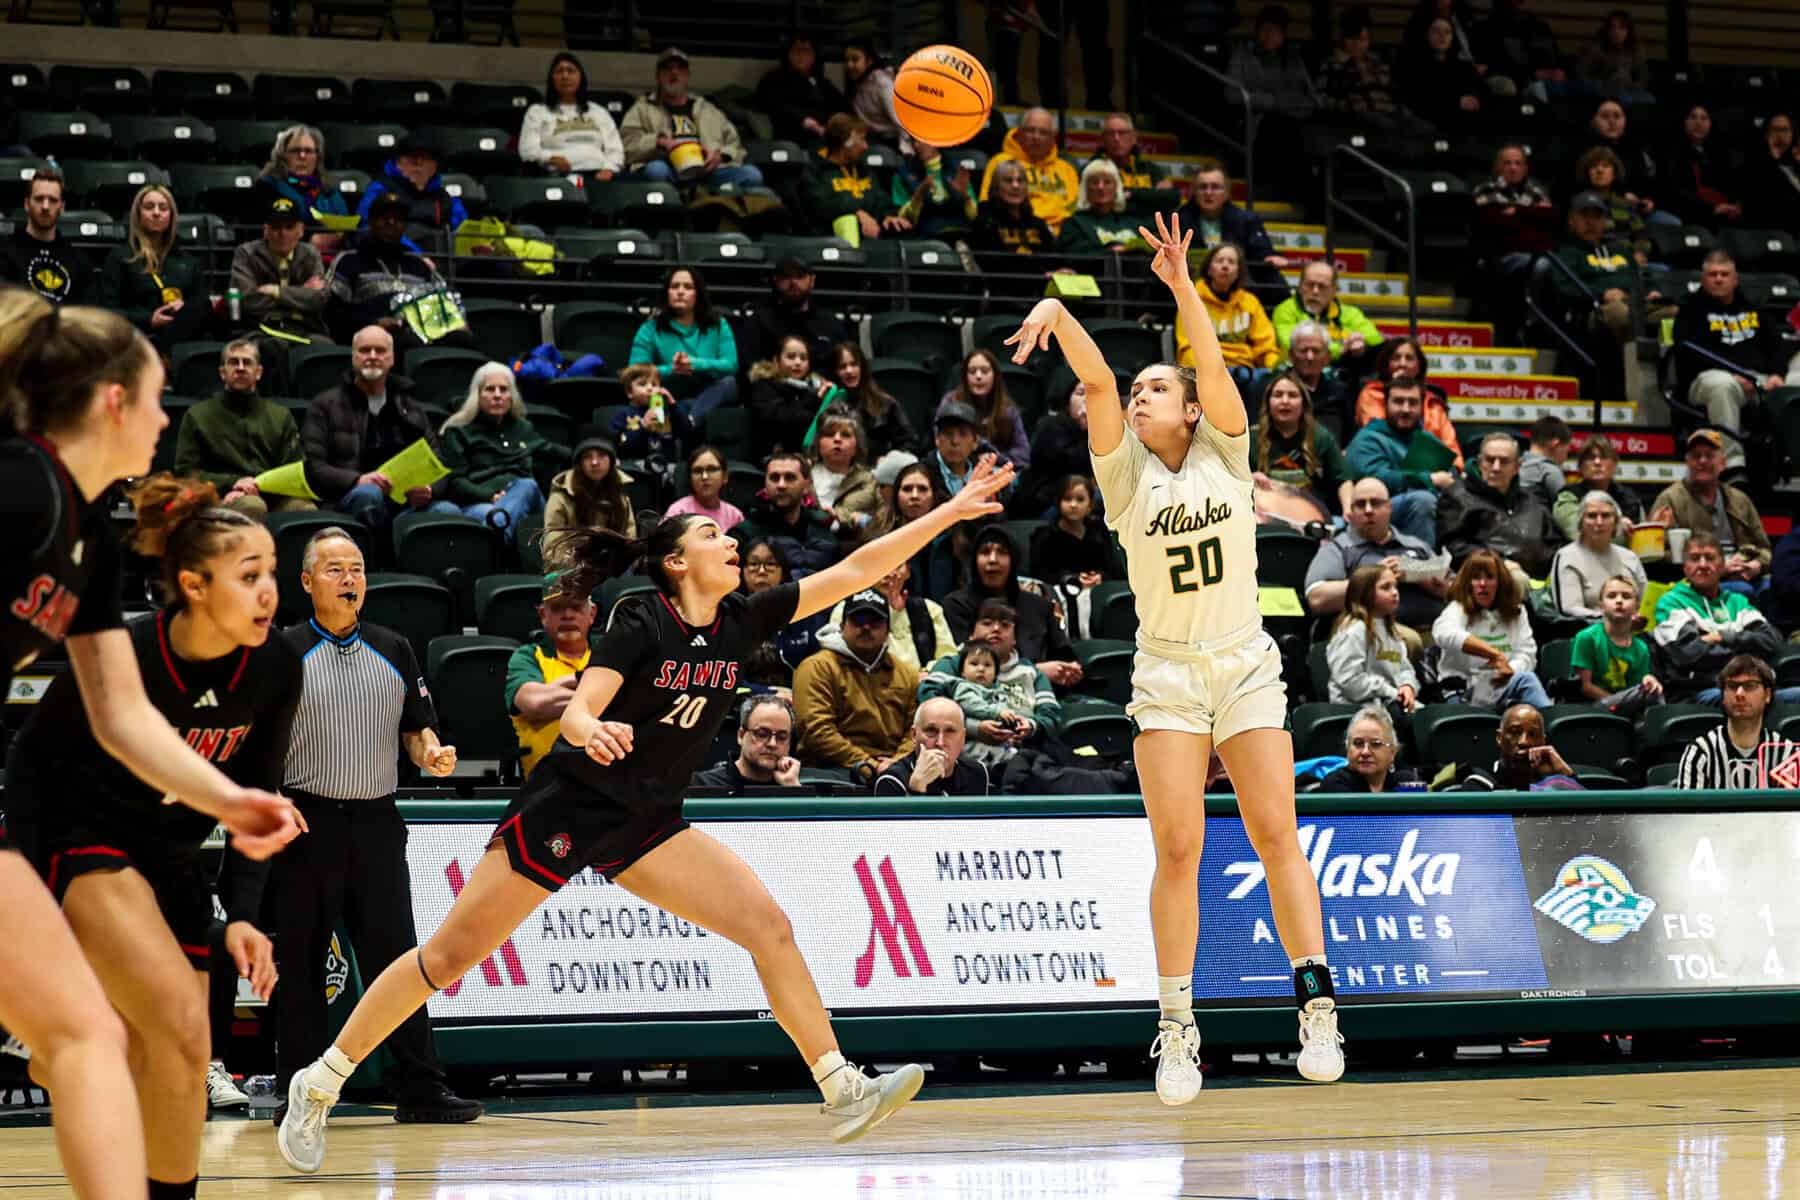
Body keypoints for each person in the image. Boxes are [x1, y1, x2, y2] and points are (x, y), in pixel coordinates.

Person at [276, 461, 1015, 1173]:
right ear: (676, 563)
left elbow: (853, 571)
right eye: (711, 538)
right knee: (445, 960)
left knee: (768, 926)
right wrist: (591, 727)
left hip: (649, 819)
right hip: (568, 806)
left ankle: (840, 1086)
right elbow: (581, 710)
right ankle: (318, 1084)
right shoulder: (641, 621)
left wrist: (947, 512)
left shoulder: (741, 619)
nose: (732, 542)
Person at [1004, 213, 1345, 1104]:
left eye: (1162, 386)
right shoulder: (1122, 475)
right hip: (1166, 672)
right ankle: (1177, 1026)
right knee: (1180, 848)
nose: (1144, 393)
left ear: (1191, 409)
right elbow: (1093, 377)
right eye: (1143, 386)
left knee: (1277, 833)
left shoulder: (1227, 453)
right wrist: (1056, 305)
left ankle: (1315, 1002)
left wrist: (1183, 285)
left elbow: (1213, 364)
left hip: (1243, 664)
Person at [0, 295, 299, 1200]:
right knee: (93, 1037)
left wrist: (230, 804)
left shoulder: (85, 528)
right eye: (162, 397)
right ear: (114, 402)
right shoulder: (19, 484)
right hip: (72, 830)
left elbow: (122, 717)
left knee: (103, 1037)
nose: (170, 420)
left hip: (145, 855)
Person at [272, 527, 479, 1133]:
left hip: (376, 823)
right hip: (305, 819)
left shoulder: (394, 647)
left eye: (356, 569)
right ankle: (300, 1093)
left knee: (400, 960)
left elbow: (418, 729)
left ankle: (420, 1087)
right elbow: (258, 744)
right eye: (334, 569)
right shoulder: (282, 652)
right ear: (307, 582)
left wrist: (432, 752)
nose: (349, 579)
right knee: (301, 966)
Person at [301, 324, 452, 531]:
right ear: (353, 357)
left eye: (380, 351)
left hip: (405, 501)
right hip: (349, 498)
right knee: (369, 494)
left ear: (392, 358)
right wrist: (358, 480)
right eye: (364, 350)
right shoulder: (325, 405)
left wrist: (429, 490)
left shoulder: (411, 408)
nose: (372, 356)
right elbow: (314, 467)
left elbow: (439, 463)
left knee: (448, 511)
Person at [1672, 251, 1795, 474]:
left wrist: (1778, 375)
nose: (1719, 279)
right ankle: (1732, 464)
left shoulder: (1752, 309)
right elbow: (1688, 353)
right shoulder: (1690, 310)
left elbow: (1778, 347)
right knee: (1723, 385)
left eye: (1724, 274)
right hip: (1708, 380)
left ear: (1735, 279)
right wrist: (1734, 373)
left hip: (1757, 379)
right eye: (1712, 274)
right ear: (1703, 279)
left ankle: (1792, 455)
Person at [173, 339, 313, 519]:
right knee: (252, 505)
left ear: (259, 372)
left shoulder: (280, 416)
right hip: (221, 495)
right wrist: (233, 484)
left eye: (247, 362)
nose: (240, 368)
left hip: (272, 494)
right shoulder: (197, 415)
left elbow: (293, 467)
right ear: (222, 373)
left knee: (304, 509)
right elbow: (186, 472)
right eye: (233, 362)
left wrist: (260, 487)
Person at [1650, 533, 1789, 704]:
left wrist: (1722, 637)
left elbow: (1772, 640)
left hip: (1750, 686)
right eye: (1694, 558)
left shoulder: (1737, 601)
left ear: (1723, 565)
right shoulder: (1671, 602)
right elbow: (1690, 654)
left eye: (1709, 558)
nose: (1702, 565)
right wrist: (1748, 653)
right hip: (1699, 692)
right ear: (1685, 567)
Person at [792, 588, 919, 773]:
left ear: (888, 631)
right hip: (831, 770)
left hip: (894, 768)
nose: (866, 627)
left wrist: (898, 764)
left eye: (875, 621)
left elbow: (916, 730)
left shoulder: (907, 674)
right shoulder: (816, 667)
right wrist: (870, 767)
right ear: (842, 626)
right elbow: (816, 731)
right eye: (858, 620)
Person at [324, 192, 469, 354]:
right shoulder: (349, 260)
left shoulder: (419, 264)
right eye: (384, 218)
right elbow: (333, 315)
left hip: (425, 335)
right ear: (371, 221)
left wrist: (457, 322)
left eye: (398, 219)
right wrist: (374, 323)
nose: (391, 223)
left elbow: (443, 303)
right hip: (373, 338)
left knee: (463, 339)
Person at [917, 599, 1062, 759]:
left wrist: (1031, 727)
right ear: (971, 634)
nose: (996, 629)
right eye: (987, 623)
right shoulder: (951, 664)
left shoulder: (1031, 672)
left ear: (1015, 639)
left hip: (1027, 754)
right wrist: (974, 728)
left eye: (1005, 625)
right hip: (964, 758)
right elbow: (927, 702)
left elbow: (1052, 717)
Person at [1303, 477, 1451, 628]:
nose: (1368, 510)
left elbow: (1458, 589)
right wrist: (1371, 580)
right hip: (1373, 634)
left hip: (1436, 631)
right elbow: (1317, 598)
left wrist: (1416, 572)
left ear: (1389, 507)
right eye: (1361, 505)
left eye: (1375, 503)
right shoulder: (1339, 548)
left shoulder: (1416, 545)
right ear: (1352, 512)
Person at [942, 523, 1080, 680]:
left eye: (1002, 552)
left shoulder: (1039, 605)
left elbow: (1064, 655)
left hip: (1047, 692)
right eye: (985, 552)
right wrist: (1035, 672)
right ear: (974, 561)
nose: (993, 559)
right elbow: (965, 666)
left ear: (1013, 561)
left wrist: (1070, 670)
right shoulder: (957, 605)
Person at [437, 362, 553, 543]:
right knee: (490, 513)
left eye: (504, 389)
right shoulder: (458, 431)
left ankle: (495, 539)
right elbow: (455, 481)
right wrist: (488, 496)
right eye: (490, 389)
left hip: (526, 499)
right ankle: (497, 536)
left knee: (527, 486)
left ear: (512, 396)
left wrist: (599, 452)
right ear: (477, 395)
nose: (497, 395)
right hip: (478, 503)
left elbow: (553, 451)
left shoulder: (523, 428)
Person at [620, 47, 763, 189]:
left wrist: (720, 156)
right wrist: (658, 142)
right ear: (658, 76)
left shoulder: (707, 109)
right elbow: (627, 147)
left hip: (708, 171)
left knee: (752, 174)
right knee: (656, 171)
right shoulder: (642, 108)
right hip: (669, 169)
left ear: (687, 75)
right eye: (668, 69)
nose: (674, 73)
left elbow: (735, 145)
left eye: (680, 68)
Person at [1649, 430, 1773, 588]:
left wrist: (1758, 565)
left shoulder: (1739, 499)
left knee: (1771, 587)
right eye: (1696, 456)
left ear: (1723, 463)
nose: (1702, 461)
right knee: (1742, 590)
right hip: (1695, 579)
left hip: (1742, 571)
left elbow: (1764, 548)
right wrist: (1717, 566)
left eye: (1709, 455)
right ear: (1687, 462)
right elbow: (1657, 555)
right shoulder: (1670, 499)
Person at [1344, 375, 1458, 545]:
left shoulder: (1426, 439)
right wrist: (1429, 479)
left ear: (1421, 407)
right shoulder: (1368, 438)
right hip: (1376, 510)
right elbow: (1375, 478)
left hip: (1428, 510)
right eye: (1398, 401)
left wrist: (1450, 480)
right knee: (1423, 500)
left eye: (1413, 403)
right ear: (1385, 405)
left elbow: (1450, 472)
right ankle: (1421, 565)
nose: (1406, 409)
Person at [1431, 549, 1551, 710]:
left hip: (1503, 686)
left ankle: (1554, 728)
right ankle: (1555, 726)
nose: (1482, 584)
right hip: (1463, 691)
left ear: (1500, 582)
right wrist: (1493, 654)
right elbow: (1443, 633)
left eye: (1489, 577)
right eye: (1476, 578)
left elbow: (1527, 653)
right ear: (1468, 583)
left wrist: (1509, 670)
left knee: (1526, 683)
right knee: (1527, 681)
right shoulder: (1457, 609)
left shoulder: (1517, 612)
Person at [506, 574, 599, 778]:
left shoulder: (610, 652)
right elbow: (535, 703)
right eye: (557, 608)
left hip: (609, 784)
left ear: (592, 613)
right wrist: (597, 687)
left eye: (576, 607)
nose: (567, 615)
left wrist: (560, 689)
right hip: (543, 786)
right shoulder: (527, 657)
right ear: (542, 615)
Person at [100, 184, 209, 351]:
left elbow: (203, 305)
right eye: (149, 207)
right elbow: (107, 311)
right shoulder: (121, 257)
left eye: (163, 208)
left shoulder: (189, 262)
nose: (156, 213)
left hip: (181, 339)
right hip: (137, 338)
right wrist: (149, 319)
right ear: (138, 214)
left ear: (171, 216)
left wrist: (183, 308)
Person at [1436, 431, 1560, 577]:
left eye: (1504, 461)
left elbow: (1555, 545)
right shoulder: (1458, 496)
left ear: (1517, 467)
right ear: (1480, 462)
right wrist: (1498, 563)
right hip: (1485, 581)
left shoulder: (1533, 501)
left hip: (1540, 583)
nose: (1496, 467)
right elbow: (1453, 547)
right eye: (1490, 460)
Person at [628, 266, 739, 421]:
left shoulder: (718, 324)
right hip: (668, 393)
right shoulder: (650, 328)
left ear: (697, 294)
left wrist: (695, 364)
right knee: (658, 395)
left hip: (709, 392)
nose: (680, 291)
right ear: (667, 293)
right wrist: (672, 369)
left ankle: (690, 419)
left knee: (729, 383)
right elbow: (634, 372)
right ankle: (688, 417)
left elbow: (731, 365)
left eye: (688, 287)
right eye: (674, 286)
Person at [1676, 655, 1797, 788]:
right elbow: (1690, 808)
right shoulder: (1700, 752)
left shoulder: (1787, 753)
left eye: (1750, 686)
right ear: (1722, 695)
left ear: (1767, 695)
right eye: (1732, 686)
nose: (1739, 693)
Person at [230, 193, 331, 350]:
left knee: (325, 348)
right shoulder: (246, 253)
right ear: (265, 230)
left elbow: (318, 299)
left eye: (289, 227)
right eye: (276, 227)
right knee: (274, 347)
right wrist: (301, 293)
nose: (282, 234)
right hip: (258, 329)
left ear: (301, 230)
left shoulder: (310, 254)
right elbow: (247, 301)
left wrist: (275, 291)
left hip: (305, 329)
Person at [1179, 242, 1278, 396]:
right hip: (1207, 371)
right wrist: (1204, 372)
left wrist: (1276, 370)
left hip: (1245, 373)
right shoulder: (1192, 299)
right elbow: (1187, 345)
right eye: (1219, 261)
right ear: (1209, 268)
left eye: (1231, 262)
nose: (1225, 266)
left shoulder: (1250, 302)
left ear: (1238, 271)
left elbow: (1265, 345)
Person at [1249, 370, 1353, 517]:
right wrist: (1250, 479)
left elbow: (1343, 479)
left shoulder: (1320, 436)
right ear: (1268, 402)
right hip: (1266, 515)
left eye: (1292, 395)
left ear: (1304, 403)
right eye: (1278, 395)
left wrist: (1348, 509)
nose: (1285, 401)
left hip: (1311, 516)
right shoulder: (1251, 438)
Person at [822, 561, 954, 674]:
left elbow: (949, 658)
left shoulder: (929, 609)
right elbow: (835, 660)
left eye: (897, 566)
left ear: (908, 571)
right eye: (881, 565)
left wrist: (928, 674)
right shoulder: (844, 610)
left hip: (924, 688)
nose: (889, 574)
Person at [1353, 339, 1464, 472]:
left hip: (1436, 471)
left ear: (1418, 366)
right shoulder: (1372, 394)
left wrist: (1455, 471)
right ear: (1387, 364)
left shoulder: (1433, 403)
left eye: (1409, 358)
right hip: (1390, 468)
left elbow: (1452, 451)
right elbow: (1381, 437)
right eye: (1396, 358)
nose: (1402, 364)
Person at [732, 450, 841, 575]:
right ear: (765, 485)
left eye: (790, 477)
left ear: (807, 485)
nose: (781, 485)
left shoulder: (824, 534)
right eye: (774, 478)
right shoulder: (744, 534)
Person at [519, 52, 624, 181]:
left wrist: (609, 169)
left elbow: (615, 149)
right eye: (559, 71)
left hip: (599, 176)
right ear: (552, 79)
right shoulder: (537, 112)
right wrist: (550, 158)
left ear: (581, 78)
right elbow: (527, 150)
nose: (565, 76)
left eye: (571, 71)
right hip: (558, 176)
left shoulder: (598, 111)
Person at [1326, 564, 1418, 709]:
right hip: (1356, 710)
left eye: (1395, 586)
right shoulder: (1354, 631)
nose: (1395, 592)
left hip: (1390, 703)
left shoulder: (1391, 631)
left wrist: (1407, 686)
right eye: (1386, 587)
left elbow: (1405, 669)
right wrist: (1391, 692)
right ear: (1365, 593)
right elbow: (1350, 681)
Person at [1571, 574, 1663, 717]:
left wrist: (1648, 682)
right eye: (1612, 596)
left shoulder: (1641, 648)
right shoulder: (1587, 638)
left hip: (1627, 705)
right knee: (1645, 693)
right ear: (1601, 606)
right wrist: (1618, 703)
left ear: (1637, 607)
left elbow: (1635, 688)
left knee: (1653, 689)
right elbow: (1585, 686)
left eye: (1626, 596)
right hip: (1593, 707)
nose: (1619, 601)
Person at [803, 114, 908, 240]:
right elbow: (820, 205)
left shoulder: (863, 169)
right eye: (861, 140)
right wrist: (856, 213)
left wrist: (888, 216)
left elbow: (879, 199)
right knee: (848, 222)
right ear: (846, 143)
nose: (866, 147)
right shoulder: (816, 170)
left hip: (871, 237)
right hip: (831, 241)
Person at [977, 107, 1079, 233]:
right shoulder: (1001, 162)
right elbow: (987, 205)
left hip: (1063, 237)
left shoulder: (1067, 169)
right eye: (1030, 130)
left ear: (1053, 138)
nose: (1036, 137)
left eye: (1043, 132)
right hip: (1017, 232)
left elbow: (1074, 211)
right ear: (1019, 133)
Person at [543, 432, 637, 567]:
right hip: (571, 571)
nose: (594, 462)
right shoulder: (560, 498)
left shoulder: (620, 497)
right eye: (587, 457)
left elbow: (630, 541)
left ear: (612, 461)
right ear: (579, 463)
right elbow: (553, 548)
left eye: (601, 456)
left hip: (614, 569)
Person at [1550, 491, 1646, 619]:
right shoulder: (1567, 556)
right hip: (1586, 632)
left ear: (1616, 522)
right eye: (1592, 516)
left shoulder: (1630, 557)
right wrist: (1611, 618)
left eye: (1606, 516)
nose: (1599, 522)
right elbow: (1569, 608)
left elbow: (1644, 603)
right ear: (1580, 522)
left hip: (1631, 631)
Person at [0, 168, 90, 305]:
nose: (45, 206)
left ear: (62, 207)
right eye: (39, 199)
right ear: (26, 204)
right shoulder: (5, 253)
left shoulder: (78, 260)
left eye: (53, 200)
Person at [1270, 261, 1380, 371]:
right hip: (1294, 372)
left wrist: (1362, 341)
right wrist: (1342, 349)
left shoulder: (1350, 313)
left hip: (1341, 372)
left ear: (1333, 290)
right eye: (1310, 284)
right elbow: (1292, 344)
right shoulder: (1285, 310)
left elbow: (1376, 339)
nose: (1315, 291)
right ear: (1300, 286)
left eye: (1322, 286)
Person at [1472, 143, 1560, 281]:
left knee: (1562, 264)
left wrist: (1518, 211)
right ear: (1498, 167)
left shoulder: (1535, 191)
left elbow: (1553, 220)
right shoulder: (1486, 190)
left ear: (1525, 168)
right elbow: (1499, 229)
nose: (1513, 168)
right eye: (1507, 163)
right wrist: (1534, 215)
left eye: (1518, 163)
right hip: (1500, 257)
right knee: (1544, 266)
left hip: (1537, 253)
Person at [750, 334, 843, 462]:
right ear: (777, 361)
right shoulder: (764, 386)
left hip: (813, 455)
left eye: (803, 358)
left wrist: (826, 399)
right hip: (775, 455)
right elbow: (782, 419)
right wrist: (814, 400)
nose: (798, 362)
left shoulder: (816, 387)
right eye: (791, 357)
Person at [874, 696, 994, 795]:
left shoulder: (977, 773)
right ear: (914, 735)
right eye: (931, 731)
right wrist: (916, 789)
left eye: (950, 731)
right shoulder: (891, 781)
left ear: (963, 737)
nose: (940, 743)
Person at [1176, 158, 1284, 268]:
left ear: (1227, 191)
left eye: (1215, 187)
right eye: (1203, 187)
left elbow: (1262, 250)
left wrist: (1269, 256)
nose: (1208, 193)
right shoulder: (1178, 219)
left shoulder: (1246, 220)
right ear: (1194, 191)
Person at [355, 131, 467, 236]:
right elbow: (366, 232)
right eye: (412, 157)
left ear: (435, 166)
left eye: (425, 158)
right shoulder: (379, 190)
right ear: (398, 161)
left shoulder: (446, 201)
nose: (418, 163)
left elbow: (461, 236)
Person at [752, 257, 851, 368]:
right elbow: (752, 368)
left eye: (800, 276)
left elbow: (844, 365)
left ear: (812, 280)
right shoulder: (760, 321)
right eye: (786, 277)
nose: (793, 282)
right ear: (776, 281)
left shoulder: (829, 323)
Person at [939, 349, 1030, 469]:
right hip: (959, 468)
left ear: (995, 376)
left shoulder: (1008, 409)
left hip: (999, 469)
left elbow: (1023, 456)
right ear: (965, 377)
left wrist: (994, 458)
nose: (978, 376)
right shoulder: (951, 402)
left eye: (985, 371)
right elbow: (942, 445)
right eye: (972, 372)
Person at [1454, 703, 1579, 790]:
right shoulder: (1479, 784)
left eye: (1533, 734)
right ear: (1499, 738)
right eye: (1514, 732)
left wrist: (1566, 776)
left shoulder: (1553, 786)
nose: (1524, 742)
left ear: (1543, 741)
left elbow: (1586, 822)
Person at [690, 695, 802, 792]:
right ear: (741, 735)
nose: (772, 744)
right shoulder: (703, 785)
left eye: (782, 737)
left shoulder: (795, 782)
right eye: (762, 734)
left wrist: (793, 789)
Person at [258, 125, 355, 235]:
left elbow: (347, 229)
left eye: (308, 151)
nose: (302, 156)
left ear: (317, 157)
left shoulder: (329, 191)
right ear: (282, 156)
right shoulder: (268, 187)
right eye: (295, 150)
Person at [1227, 6, 1320, 119]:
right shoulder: (1242, 56)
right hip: (1252, 123)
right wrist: (1273, 101)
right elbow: (1232, 95)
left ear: (1283, 35)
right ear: (1257, 31)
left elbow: (1310, 100)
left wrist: (1287, 104)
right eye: (1265, 29)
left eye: (1275, 30)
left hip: (1289, 122)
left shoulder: (1293, 59)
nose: (1269, 35)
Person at [1030, 474, 1122, 588]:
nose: (1073, 505)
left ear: (1090, 505)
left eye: (1080, 499)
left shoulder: (1099, 530)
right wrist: (1073, 580)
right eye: (1067, 499)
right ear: (1058, 503)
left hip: (1099, 590)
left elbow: (1113, 568)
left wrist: (1100, 577)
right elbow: (1040, 575)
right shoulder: (1045, 536)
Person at [755, 32, 845, 145]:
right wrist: (804, 120)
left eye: (806, 51)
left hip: (825, 136)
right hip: (792, 136)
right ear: (789, 53)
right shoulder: (774, 78)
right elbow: (772, 104)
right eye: (796, 50)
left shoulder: (823, 83)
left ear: (814, 56)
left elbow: (840, 106)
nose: (801, 56)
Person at [808, 404, 880, 544]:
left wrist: (839, 518)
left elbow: (880, 523)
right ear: (818, 443)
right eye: (829, 434)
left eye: (845, 435)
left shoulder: (869, 481)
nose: (837, 439)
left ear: (857, 446)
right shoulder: (803, 474)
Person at [830, 341, 914, 460]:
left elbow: (909, 442)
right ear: (836, 372)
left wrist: (889, 459)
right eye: (842, 367)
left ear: (862, 367)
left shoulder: (885, 403)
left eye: (854, 364)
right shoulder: (831, 403)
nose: (849, 371)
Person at [1399, 16, 1486, 129]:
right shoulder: (1415, 66)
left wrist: (1475, 100)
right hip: (1435, 119)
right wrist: (1457, 102)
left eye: (1447, 32)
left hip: (1470, 118)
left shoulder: (1463, 67)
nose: (1442, 36)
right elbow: (1420, 99)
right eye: (1436, 31)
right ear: (1426, 34)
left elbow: (1483, 90)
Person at [1663, 104, 1743, 226]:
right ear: (1684, 122)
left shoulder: (1720, 153)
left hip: (1724, 209)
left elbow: (1731, 183)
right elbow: (1675, 190)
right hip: (1691, 210)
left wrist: (1737, 204)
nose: (1698, 123)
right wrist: (1712, 208)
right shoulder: (1673, 152)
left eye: (1704, 118)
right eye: (1693, 117)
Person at [1321, 6, 1406, 119]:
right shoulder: (1333, 64)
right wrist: (1345, 107)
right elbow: (1321, 97)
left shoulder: (1378, 62)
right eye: (1352, 39)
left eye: (1362, 39)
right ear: (1343, 38)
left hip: (1391, 113)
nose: (1357, 45)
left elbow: (1394, 91)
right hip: (1361, 117)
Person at [1311, 706, 1422, 793]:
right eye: (1358, 743)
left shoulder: (1407, 783)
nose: (1365, 752)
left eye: (1375, 744)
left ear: (1393, 752)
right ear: (1347, 748)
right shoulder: (1335, 784)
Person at [1553, 435, 1642, 542]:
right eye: (1590, 458)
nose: (1597, 462)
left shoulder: (1629, 497)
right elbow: (1578, 534)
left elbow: (1642, 540)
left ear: (1614, 464)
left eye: (1604, 457)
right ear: (1580, 466)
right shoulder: (1568, 496)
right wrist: (1618, 527)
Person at [1476, 0, 1566, 100]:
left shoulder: (1539, 26)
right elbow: (1496, 66)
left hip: (1552, 80)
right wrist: (1533, 74)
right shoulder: (1487, 28)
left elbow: (1558, 57)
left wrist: (1560, 70)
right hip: (1523, 82)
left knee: (1582, 86)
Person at [611, 362, 693, 470]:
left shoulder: (667, 412)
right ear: (629, 392)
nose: (650, 388)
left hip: (667, 465)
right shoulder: (623, 414)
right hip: (636, 464)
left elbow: (686, 431)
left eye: (654, 385)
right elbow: (620, 444)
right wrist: (643, 427)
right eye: (643, 384)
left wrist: (673, 404)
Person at [1058, 159, 1145, 257]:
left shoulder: (1132, 221)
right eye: (1094, 182)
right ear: (1085, 189)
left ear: (1116, 188)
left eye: (1107, 182)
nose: (1100, 187)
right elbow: (1073, 257)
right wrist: (1112, 250)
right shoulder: (1073, 223)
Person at [971, 159, 1057, 256]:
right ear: (996, 187)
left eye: (1020, 181)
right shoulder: (986, 224)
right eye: (1008, 180)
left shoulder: (1039, 225)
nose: (1015, 186)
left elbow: (1054, 260)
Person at [1285, 320, 1353, 441]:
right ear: (1291, 355)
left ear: (1328, 357)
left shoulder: (1339, 392)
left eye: (1316, 351)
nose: (1309, 357)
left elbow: (1350, 436)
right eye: (1303, 350)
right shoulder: (1275, 390)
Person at [1741, 108, 1800, 235]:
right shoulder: (1755, 164)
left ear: (1792, 134)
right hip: (1775, 229)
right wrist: (1773, 160)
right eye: (1775, 130)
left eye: (1785, 130)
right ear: (1766, 134)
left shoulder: (1795, 163)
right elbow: (1775, 199)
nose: (1780, 135)